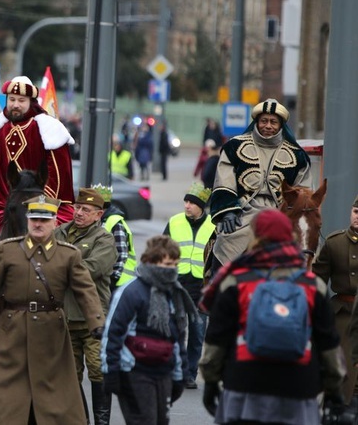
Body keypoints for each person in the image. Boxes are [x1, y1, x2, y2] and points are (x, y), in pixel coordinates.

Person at [199, 209, 345, 425]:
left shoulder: (235, 282)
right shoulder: (313, 286)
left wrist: (210, 381)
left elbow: (216, 338)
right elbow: (329, 344)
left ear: (256, 237)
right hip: (298, 388)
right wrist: (334, 390)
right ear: (290, 236)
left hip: (244, 385)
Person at [0, 195, 104, 425]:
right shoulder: (7, 250)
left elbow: (86, 291)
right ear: (28, 220)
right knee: (9, 401)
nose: (38, 224)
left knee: (54, 401)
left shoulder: (68, 254)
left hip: (53, 335)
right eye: (34, 219)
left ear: (54, 221)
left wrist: (97, 324)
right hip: (13, 332)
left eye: (44, 219)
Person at [0, 76, 75, 305]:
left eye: (21, 100)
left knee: (67, 239)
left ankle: (68, 294)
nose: (15, 104)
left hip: (41, 201)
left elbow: (57, 171)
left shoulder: (46, 128)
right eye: (12, 99)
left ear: (31, 101)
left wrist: (47, 204)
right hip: (1, 200)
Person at [209, 99, 311, 269]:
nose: (268, 126)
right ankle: (219, 287)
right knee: (223, 243)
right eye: (264, 121)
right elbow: (224, 181)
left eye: (273, 122)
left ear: (281, 125)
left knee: (304, 252)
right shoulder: (234, 147)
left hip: (280, 216)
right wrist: (228, 212)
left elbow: (303, 193)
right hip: (241, 215)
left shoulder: (297, 156)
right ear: (256, 122)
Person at [102, 236, 193, 425]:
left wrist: (180, 374)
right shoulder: (131, 292)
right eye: (167, 264)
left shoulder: (174, 293)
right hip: (135, 372)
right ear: (151, 261)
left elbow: (177, 337)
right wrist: (110, 372)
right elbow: (112, 333)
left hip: (163, 372)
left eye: (175, 264)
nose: (172, 270)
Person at [54, 188, 117, 425]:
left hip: (93, 318)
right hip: (64, 317)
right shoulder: (59, 232)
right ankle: (82, 419)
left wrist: (61, 267)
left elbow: (93, 269)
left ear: (98, 214)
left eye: (86, 210)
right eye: (77, 208)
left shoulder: (104, 239)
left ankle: (102, 422)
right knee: (70, 375)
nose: (79, 213)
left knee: (98, 370)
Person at [162, 182, 215, 389]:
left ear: (202, 206)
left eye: (192, 203)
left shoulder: (213, 225)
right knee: (173, 332)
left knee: (196, 335)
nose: (187, 206)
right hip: (177, 286)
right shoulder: (175, 222)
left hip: (201, 290)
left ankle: (190, 374)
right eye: (186, 201)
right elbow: (162, 249)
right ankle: (175, 371)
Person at [313, 196, 358, 406]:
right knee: (341, 372)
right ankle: (336, 411)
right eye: (356, 212)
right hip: (342, 316)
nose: (357, 217)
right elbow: (318, 282)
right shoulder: (334, 243)